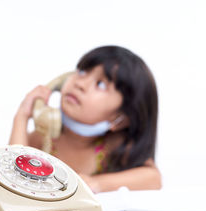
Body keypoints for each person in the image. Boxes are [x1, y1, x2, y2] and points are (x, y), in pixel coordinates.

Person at [9, 45, 161, 193]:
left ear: (120, 119)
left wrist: (97, 184)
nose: (80, 84)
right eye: (81, 72)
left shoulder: (113, 146)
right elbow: (12, 173)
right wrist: (22, 116)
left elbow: (153, 178)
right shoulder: (43, 137)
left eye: (100, 84)